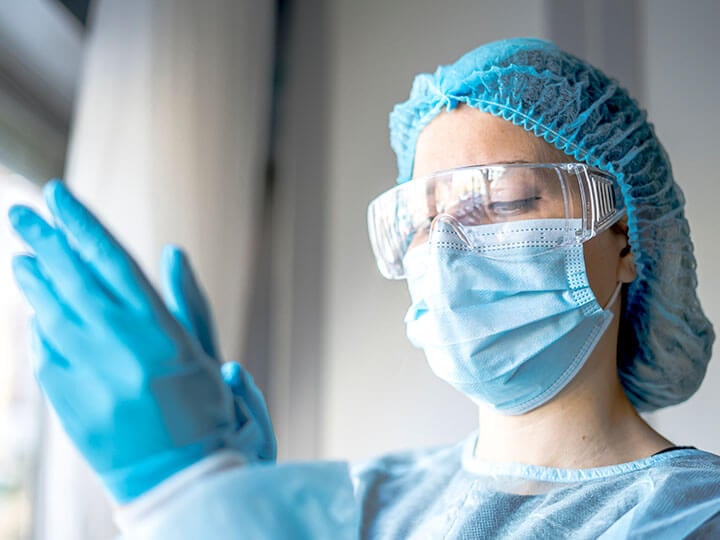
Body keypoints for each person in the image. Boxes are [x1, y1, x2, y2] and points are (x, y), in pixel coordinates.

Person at [7, 37, 720, 538]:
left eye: (502, 200)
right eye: (420, 219)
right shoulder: (365, 499)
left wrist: (197, 501)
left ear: (626, 238)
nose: (445, 249)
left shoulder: (690, 515)